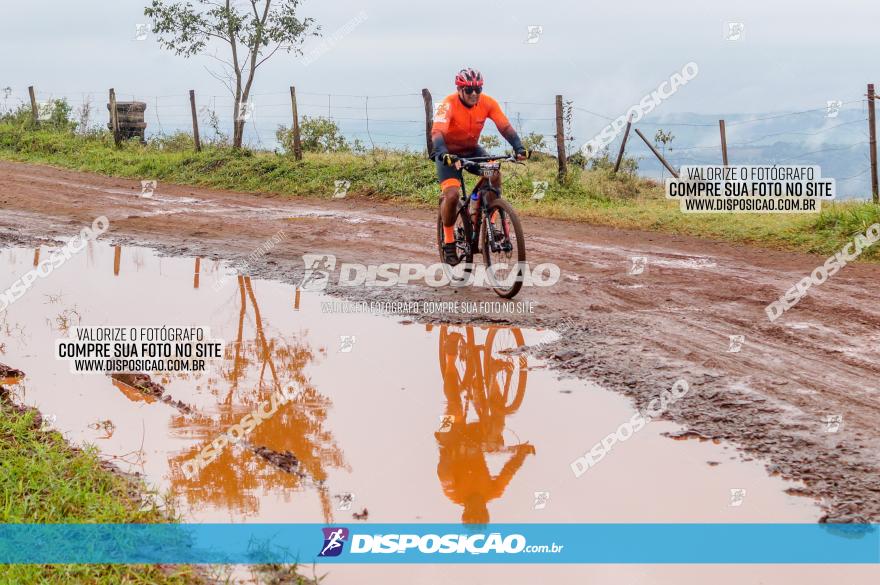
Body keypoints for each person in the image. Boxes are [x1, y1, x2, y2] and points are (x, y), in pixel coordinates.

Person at [432, 68, 529, 266]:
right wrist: (443, 153)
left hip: (472, 150)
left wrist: (518, 147)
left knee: (494, 173)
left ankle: (486, 214)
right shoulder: (446, 104)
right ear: (460, 89)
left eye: (478, 89)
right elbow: (437, 132)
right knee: (451, 195)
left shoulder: (488, 102)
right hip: (449, 154)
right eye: (469, 90)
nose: (474, 94)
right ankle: (449, 241)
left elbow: (505, 127)